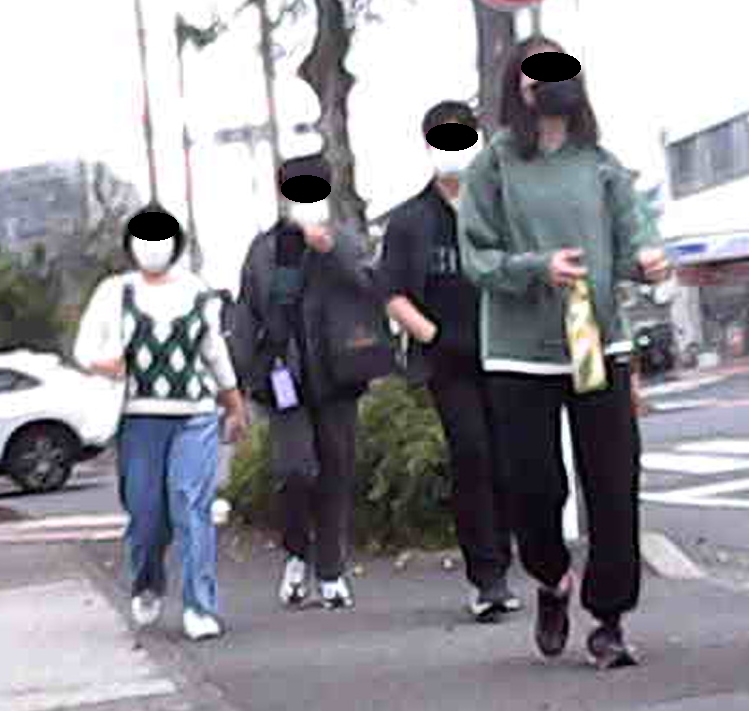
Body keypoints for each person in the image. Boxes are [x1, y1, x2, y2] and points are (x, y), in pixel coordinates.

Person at [456, 36, 671, 668]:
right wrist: (535, 267)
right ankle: (551, 578)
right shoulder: (492, 166)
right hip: (520, 352)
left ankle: (609, 619)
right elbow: (477, 257)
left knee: (613, 483)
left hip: (599, 342)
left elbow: (634, 238)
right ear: (517, 89)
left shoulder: (601, 164)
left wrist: (648, 262)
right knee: (532, 486)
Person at [74, 202, 249, 641]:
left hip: (194, 415)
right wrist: (105, 364)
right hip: (138, 418)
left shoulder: (197, 292)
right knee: (147, 513)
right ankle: (147, 581)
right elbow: (83, 349)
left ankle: (199, 606)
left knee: (191, 506)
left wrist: (233, 404)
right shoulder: (114, 292)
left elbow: (214, 352)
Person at [378, 100, 521, 622]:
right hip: (449, 362)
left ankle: (510, 558)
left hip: (508, 351)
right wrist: (433, 336)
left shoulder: (501, 208)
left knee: (509, 460)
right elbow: (391, 292)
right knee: (473, 455)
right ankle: (487, 578)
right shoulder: (410, 220)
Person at [230, 153, 380, 610]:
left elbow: (372, 283)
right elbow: (245, 313)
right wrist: (241, 379)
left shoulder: (345, 240)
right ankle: (297, 552)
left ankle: (331, 572)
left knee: (336, 470)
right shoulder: (264, 249)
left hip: (337, 373)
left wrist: (330, 249)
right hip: (283, 376)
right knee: (294, 470)